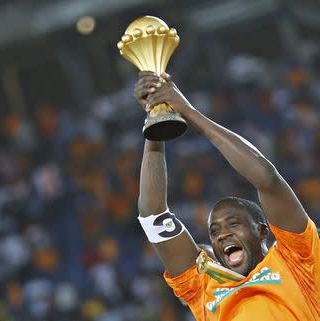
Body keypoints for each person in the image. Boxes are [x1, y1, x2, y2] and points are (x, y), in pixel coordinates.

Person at [133, 71, 319, 321]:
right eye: (214, 230)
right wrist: (157, 119)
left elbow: (268, 179)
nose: (222, 234)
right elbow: (153, 216)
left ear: (262, 231)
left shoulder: (296, 259)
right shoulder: (205, 287)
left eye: (234, 223)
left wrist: (188, 112)